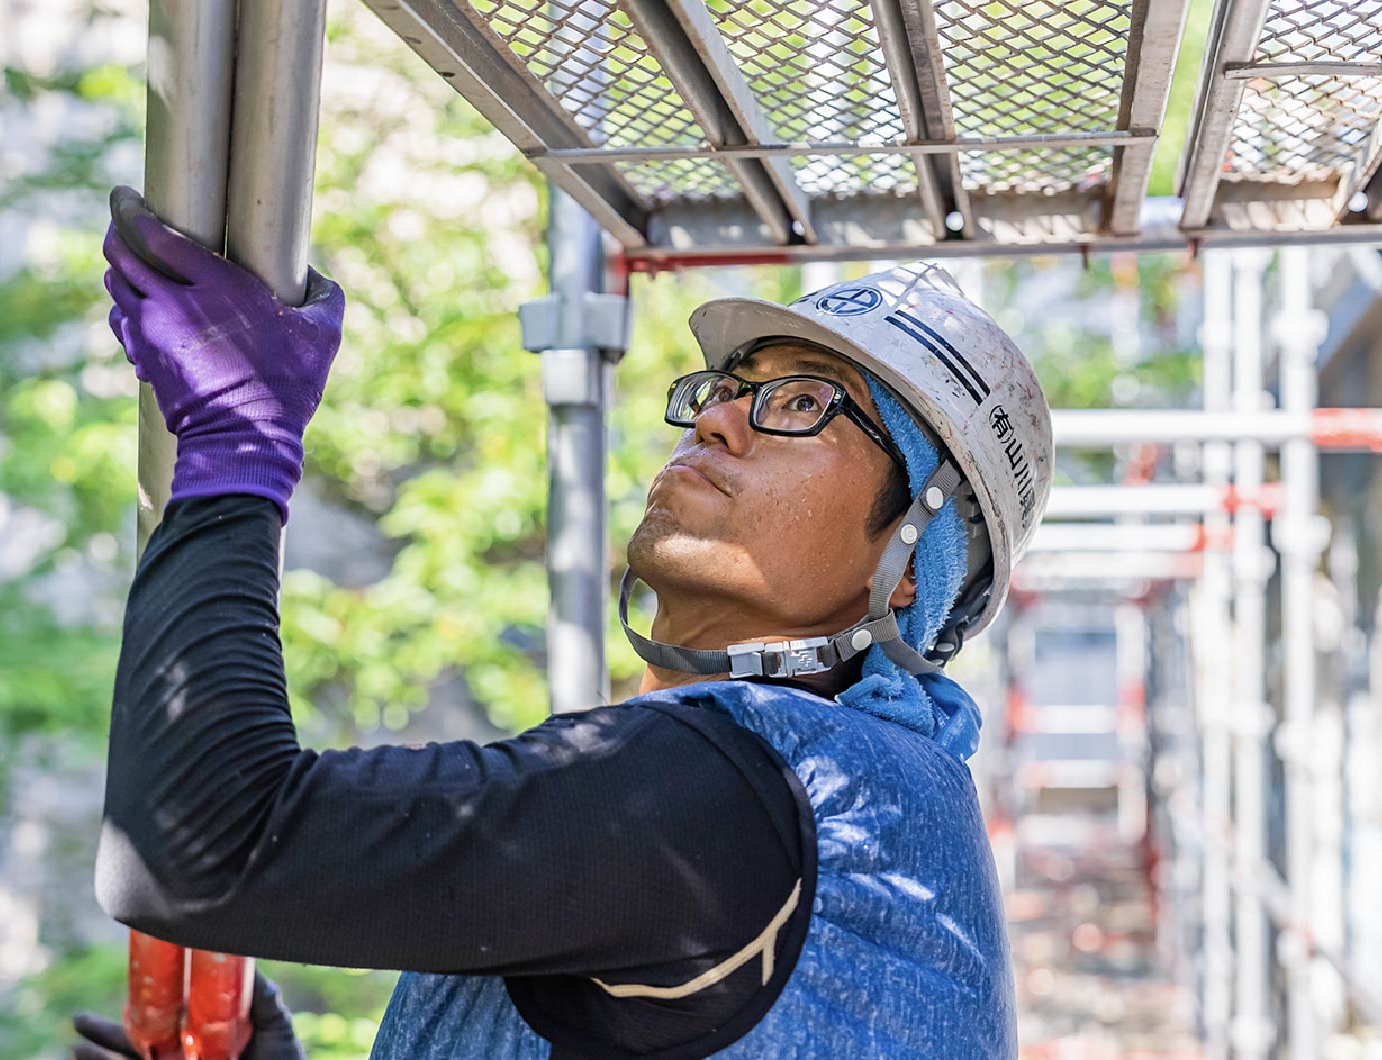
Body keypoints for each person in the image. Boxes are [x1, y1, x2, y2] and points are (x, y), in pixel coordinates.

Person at [80, 184, 1052, 1059]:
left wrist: (234, 449)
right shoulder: (843, 795)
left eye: (801, 403)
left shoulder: (731, 798)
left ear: (910, 570)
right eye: (726, 389)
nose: (716, 421)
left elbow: (195, 843)